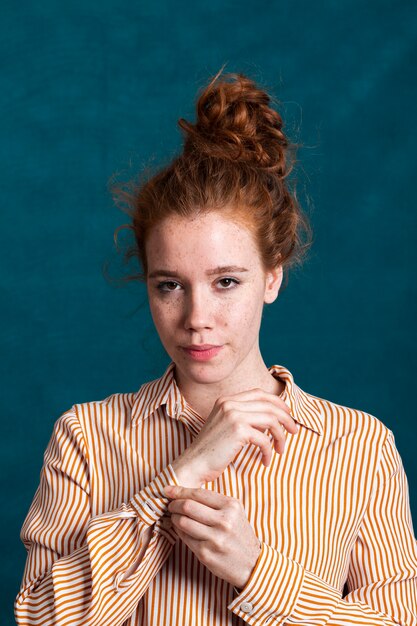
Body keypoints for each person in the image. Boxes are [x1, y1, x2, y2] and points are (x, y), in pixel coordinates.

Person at [15, 68, 417, 626]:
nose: (197, 319)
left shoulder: (360, 448)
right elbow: (40, 618)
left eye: (226, 281)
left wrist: (260, 573)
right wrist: (178, 477)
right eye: (169, 285)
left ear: (271, 278)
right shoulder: (86, 438)